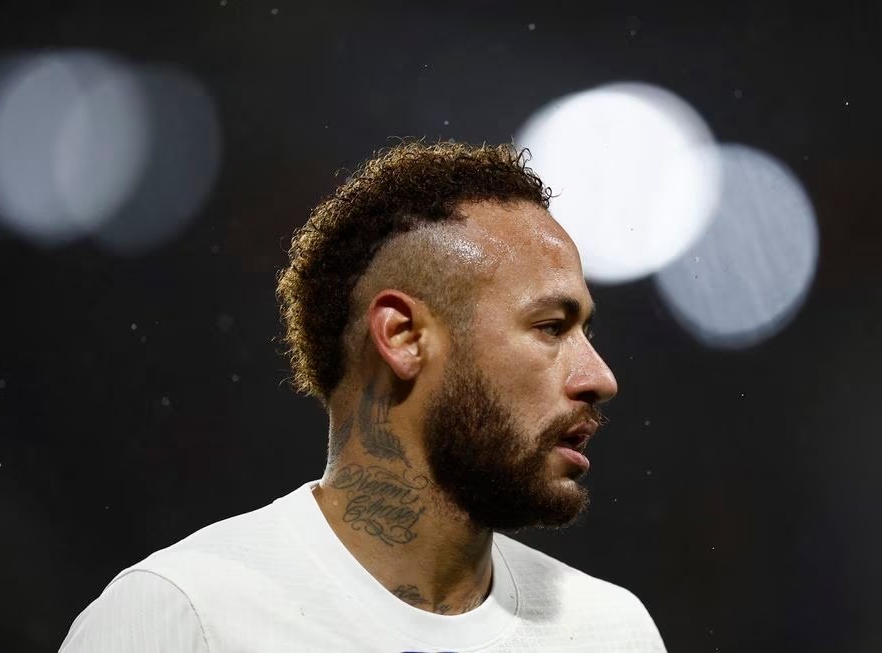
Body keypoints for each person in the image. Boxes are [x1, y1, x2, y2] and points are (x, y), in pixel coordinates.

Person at [60, 141, 667, 652]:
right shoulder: (185, 617)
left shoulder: (611, 633)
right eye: (550, 327)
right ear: (403, 337)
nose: (600, 377)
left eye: (586, 330)